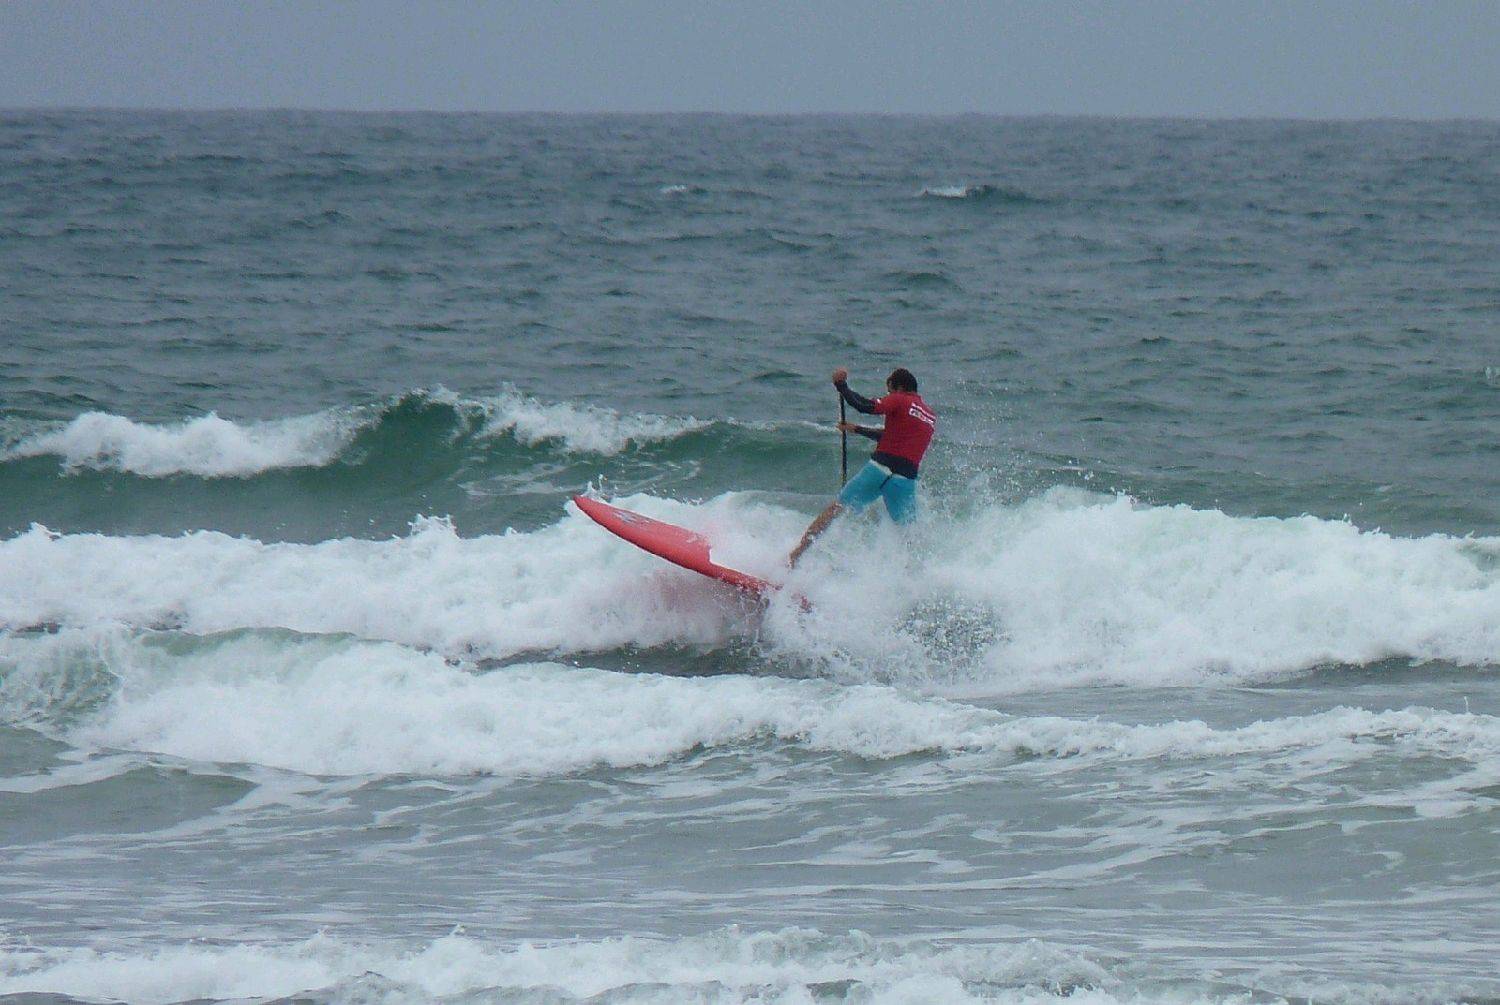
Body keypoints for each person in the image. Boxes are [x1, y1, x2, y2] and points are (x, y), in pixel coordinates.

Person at [788, 366, 937, 566]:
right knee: (908, 532)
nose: (888, 395)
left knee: (837, 508)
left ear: (899, 387)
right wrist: (857, 429)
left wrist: (841, 385)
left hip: (879, 469)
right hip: (905, 480)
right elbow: (893, 437)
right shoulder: (929, 416)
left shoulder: (900, 398)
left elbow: (864, 406)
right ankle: (913, 579)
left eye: (889, 390)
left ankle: (795, 557)